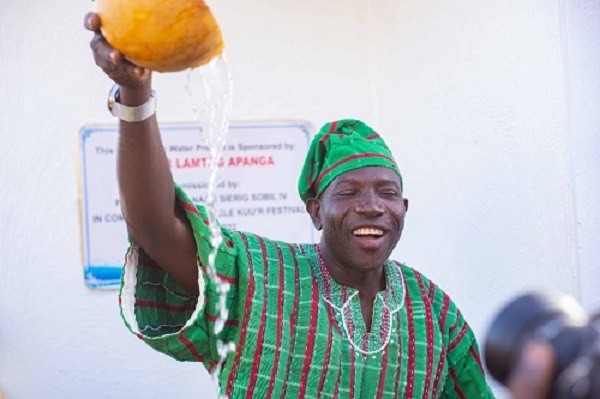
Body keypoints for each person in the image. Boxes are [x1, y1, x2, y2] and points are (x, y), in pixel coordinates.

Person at [86, 12, 495, 398]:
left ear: (404, 207)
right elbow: (155, 226)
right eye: (349, 192)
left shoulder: (435, 314)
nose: (372, 206)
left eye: (387, 192)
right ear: (315, 210)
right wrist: (135, 95)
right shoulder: (256, 279)